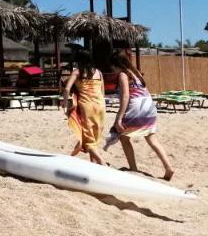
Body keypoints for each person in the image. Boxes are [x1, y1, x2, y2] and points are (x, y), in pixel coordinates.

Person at [105, 49, 173, 180]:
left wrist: (118, 118)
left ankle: (133, 168)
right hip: (148, 107)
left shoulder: (123, 75)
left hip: (136, 107)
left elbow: (125, 97)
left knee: (124, 137)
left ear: (116, 64)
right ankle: (168, 167)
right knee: (152, 139)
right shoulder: (136, 73)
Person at [62, 50, 106, 164]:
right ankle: (93, 164)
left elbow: (67, 89)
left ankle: (102, 162)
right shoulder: (99, 73)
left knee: (87, 137)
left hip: (87, 106)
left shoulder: (77, 72)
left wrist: (65, 104)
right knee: (95, 137)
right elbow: (102, 92)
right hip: (100, 105)